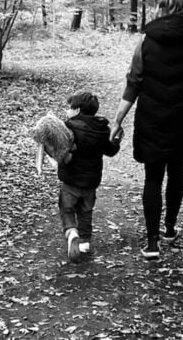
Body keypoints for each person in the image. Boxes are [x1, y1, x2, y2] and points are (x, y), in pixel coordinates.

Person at [110, 0, 183, 259]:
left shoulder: (146, 41)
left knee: (153, 177)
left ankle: (152, 243)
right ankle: (169, 229)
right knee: (176, 171)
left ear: (159, 7)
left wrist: (118, 119)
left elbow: (133, 82)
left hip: (151, 118)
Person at [58, 91, 122, 262]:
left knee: (67, 208)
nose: (67, 111)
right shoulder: (102, 130)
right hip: (91, 182)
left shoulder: (68, 128)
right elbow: (111, 150)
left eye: (69, 108)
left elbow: (58, 146)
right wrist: (116, 140)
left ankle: (71, 231)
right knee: (86, 211)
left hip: (70, 180)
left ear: (77, 110)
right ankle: (84, 242)